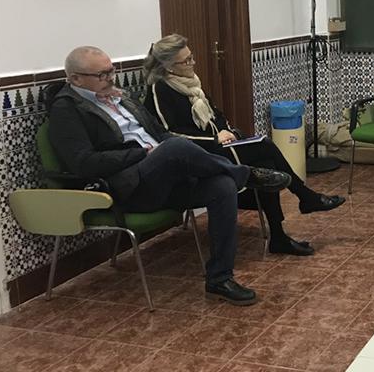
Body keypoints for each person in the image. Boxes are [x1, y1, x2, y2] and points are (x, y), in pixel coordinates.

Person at [48, 46, 290, 306]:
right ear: (75, 79)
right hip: (128, 188)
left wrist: (161, 149)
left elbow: (160, 134)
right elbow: (84, 163)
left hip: (164, 178)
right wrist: (144, 154)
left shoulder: (121, 98)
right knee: (174, 147)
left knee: (222, 185)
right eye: (102, 75)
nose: (110, 79)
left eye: (111, 71)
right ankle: (248, 175)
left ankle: (220, 277)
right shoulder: (66, 110)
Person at [142, 34, 345, 257]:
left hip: (219, 146)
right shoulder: (159, 90)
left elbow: (216, 115)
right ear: (169, 67)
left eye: (192, 57)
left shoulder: (193, 85)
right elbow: (169, 135)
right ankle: (305, 197)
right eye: (186, 61)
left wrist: (228, 131)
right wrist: (214, 139)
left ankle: (279, 236)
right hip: (199, 155)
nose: (193, 63)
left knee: (266, 162)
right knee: (265, 144)